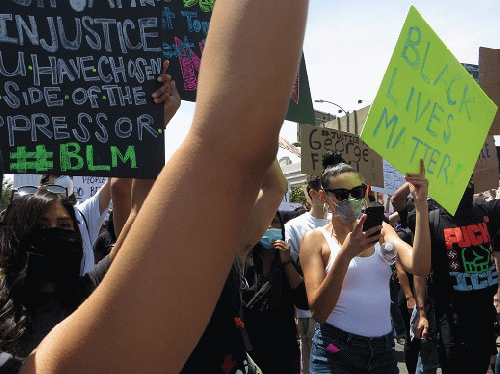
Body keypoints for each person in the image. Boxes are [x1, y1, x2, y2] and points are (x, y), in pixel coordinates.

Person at [0, 0, 310, 372]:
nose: (55, 236)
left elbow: (138, 212)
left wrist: (149, 127)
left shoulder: (95, 294)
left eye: (64, 227)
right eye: (42, 230)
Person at [300, 151, 431, 374]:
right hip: (336, 352)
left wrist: (420, 205)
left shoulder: (382, 230)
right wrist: (346, 254)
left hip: (383, 352)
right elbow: (319, 312)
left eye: (357, 192)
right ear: (324, 197)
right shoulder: (314, 240)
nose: (351, 199)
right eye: (341, 194)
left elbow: (420, 265)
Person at [412, 178, 500, 373]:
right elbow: (419, 271)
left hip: (484, 320)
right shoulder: (431, 220)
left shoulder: (485, 212)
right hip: (453, 322)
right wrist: (421, 310)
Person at [242, 211, 309, 374]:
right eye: (265, 222)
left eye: (275, 222)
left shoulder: (288, 261)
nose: (271, 227)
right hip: (252, 346)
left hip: (284, 346)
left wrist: (286, 262)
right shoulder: (245, 260)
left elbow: (303, 301)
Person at [285, 175, 330, 374]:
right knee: (312, 362)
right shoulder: (294, 227)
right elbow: (290, 271)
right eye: (323, 191)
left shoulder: (338, 222)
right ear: (313, 194)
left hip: (339, 307)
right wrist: (294, 311)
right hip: (308, 310)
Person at [38, 174, 111, 275]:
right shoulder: (33, 217)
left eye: (65, 225)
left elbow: (112, 184)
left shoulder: (83, 214)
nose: (64, 177)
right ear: (42, 186)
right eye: (56, 174)